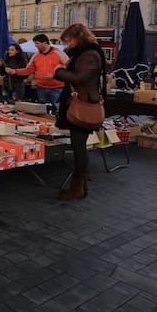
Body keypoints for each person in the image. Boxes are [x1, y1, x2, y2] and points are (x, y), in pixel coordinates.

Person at [53, 23, 107, 201]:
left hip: (83, 103)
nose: (68, 44)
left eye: (69, 40)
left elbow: (80, 78)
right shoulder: (83, 53)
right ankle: (81, 184)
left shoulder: (89, 54)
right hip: (80, 100)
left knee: (79, 146)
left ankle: (77, 186)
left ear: (78, 37)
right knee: (78, 145)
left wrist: (59, 71)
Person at [7, 34, 68, 112]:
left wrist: (55, 76)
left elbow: (69, 67)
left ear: (45, 42)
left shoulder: (59, 53)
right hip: (41, 87)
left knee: (59, 110)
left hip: (57, 88)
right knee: (42, 111)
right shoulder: (36, 55)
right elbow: (29, 69)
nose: (35, 46)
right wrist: (15, 71)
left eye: (37, 43)